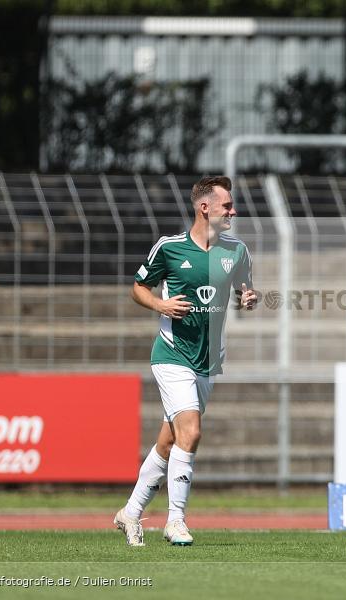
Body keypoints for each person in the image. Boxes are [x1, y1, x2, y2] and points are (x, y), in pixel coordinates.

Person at [114, 176, 258, 547]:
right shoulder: (170, 248)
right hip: (171, 354)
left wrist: (249, 298)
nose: (233, 211)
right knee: (191, 433)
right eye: (227, 205)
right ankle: (175, 521)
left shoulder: (237, 251)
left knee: (168, 442)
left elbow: (245, 287)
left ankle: (130, 513)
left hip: (208, 360)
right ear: (204, 207)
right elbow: (138, 288)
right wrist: (161, 304)